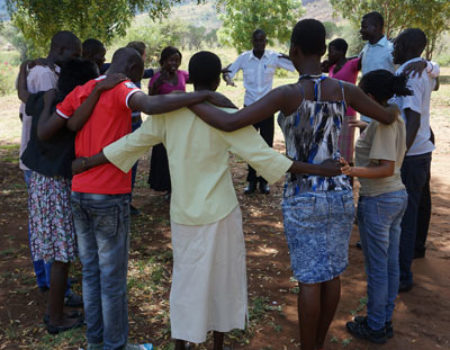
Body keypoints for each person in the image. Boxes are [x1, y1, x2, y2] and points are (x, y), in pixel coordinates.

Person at [70, 50, 342, 350]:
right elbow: (266, 158)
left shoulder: (170, 115)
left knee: (186, 284)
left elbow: (129, 144)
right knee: (222, 284)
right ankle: (218, 344)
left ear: (190, 77)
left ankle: (181, 345)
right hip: (220, 212)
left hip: (184, 214)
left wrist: (86, 162)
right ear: (216, 81)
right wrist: (321, 169)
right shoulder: (225, 115)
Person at [188, 19, 400, 350]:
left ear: (294, 51)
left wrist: (187, 101)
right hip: (341, 193)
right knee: (332, 274)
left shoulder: (288, 94)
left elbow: (229, 122)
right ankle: (318, 343)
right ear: (324, 49)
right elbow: (387, 117)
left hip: (303, 196)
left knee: (309, 280)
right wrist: (398, 106)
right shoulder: (344, 90)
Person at [52, 47, 237, 350]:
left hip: (79, 192)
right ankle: (115, 346)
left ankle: (96, 343)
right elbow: (149, 105)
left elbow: (70, 124)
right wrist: (200, 96)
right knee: (112, 280)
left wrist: (85, 162)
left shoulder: (87, 87)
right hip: (108, 194)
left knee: (90, 274)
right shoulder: (125, 87)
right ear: (135, 67)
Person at [18, 58, 105, 334]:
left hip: (41, 182)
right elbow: (49, 131)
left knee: (59, 251)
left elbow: (22, 94)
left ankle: (57, 310)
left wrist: (22, 70)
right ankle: (55, 317)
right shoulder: (73, 107)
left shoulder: (49, 95)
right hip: (55, 184)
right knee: (61, 253)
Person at [342, 70, 410, 344]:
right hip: (396, 197)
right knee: (390, 265)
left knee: (378, 269)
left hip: (380, 201)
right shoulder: (392, 116)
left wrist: (350, 171)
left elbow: (384, 168)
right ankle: (384, 319)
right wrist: (364, 129)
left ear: (368, 98)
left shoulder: (383, 125)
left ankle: (375, 325)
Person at [16, 30, 83, 307]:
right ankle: (52, 283)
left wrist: (22, 69)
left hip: (43, 159)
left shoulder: (51, 73)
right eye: (75, 54)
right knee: (47, 226)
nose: (76, 59)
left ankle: (53, 281)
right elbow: (36, 114)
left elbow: (22, 95)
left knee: (46, 224)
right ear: (61, 49)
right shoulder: (46, 79)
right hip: (43, 161)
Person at [391, 29, 438, 293]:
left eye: (397, 44)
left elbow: (414, 119)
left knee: (405, 217)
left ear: (408, 46)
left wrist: (398, 158)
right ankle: (408, 261)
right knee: (412, 211)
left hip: (411, 155)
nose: (393, 48)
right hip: (420, 152)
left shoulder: (410, 73)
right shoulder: (422, 70)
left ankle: (402, 275)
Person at [223, 29, 296, 194]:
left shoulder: (273, 57)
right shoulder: (244, 58)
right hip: (250, 107)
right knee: (250, 145)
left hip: (267, 107)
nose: (259, 43)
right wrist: (227, 78)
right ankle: (251, 181)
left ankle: (264, 181)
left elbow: (293, 66)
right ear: (252, 41)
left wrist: (288, 55)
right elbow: (229, 73)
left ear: (266, 41)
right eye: (256, 40)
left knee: (266, 145)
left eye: (262, 40)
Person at [147, 46, 189, 197]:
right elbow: (149, 100)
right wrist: (156, 87)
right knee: (165, 155)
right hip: (163, 123)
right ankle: (167, 186)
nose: (174, 63)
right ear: (163, 61)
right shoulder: (157, 78)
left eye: (177, 61)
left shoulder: (182, 75)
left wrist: (218, 70)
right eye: (171, 60)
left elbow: (200, 76)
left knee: (179, 155)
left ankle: (177, 187)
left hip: (180, 122)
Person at [322, 38, 360, 164]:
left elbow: (364, 56)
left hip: (347, 114)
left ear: (341, 51)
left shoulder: (352, 65)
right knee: (333, 151)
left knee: (346, 155)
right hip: (332, 113)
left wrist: (348, 58)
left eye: (332, 51)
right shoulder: (332, 67)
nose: (329, 55)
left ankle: (348, 182)